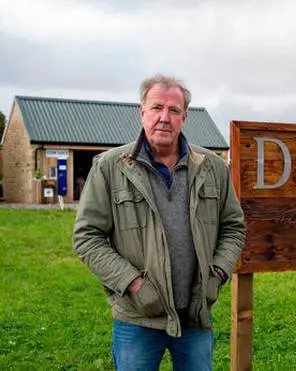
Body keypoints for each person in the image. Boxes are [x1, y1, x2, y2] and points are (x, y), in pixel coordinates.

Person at [73, 74, 246, 370]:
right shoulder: (110, 167)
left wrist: (216, 273)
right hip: (138, 318)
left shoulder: (213, 168)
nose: (164, 118)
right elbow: (87, 237)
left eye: (174, 110)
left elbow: (234, 227)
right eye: (156, 108)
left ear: (185, 117)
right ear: (142, 113)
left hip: (195, 315)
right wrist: (133, 283)